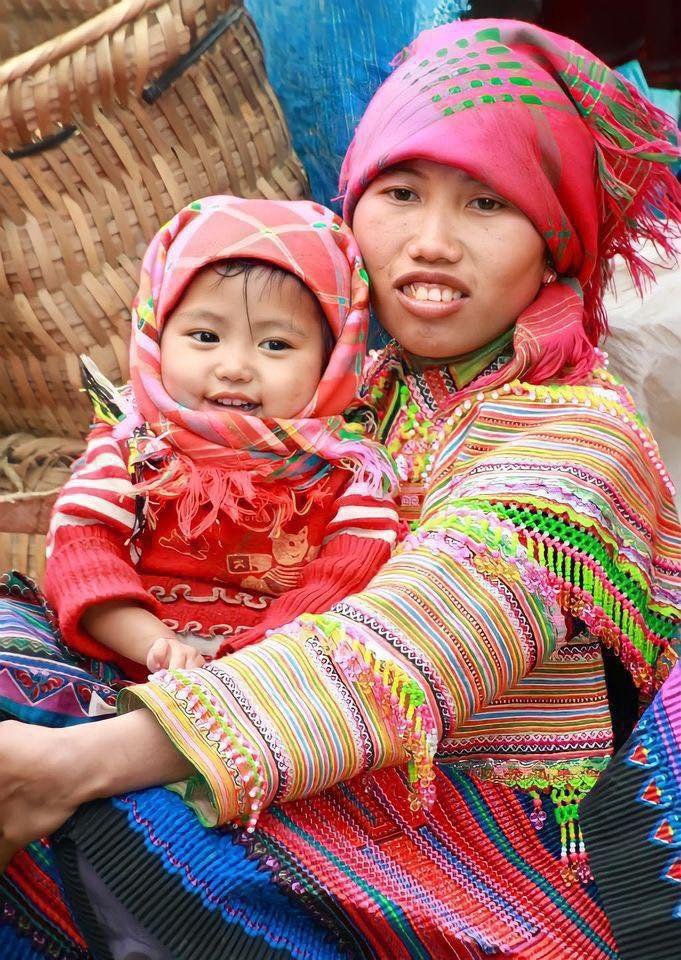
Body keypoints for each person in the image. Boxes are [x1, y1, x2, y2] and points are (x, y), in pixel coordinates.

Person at [1, 17, 680, 960]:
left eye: (488, 204)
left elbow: (406, 644)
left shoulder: (574, 436)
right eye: (400, 193)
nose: (432, 241)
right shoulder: (356, 389)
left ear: (555, 235)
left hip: (480, 839)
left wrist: (70, 764)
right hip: (291, 745)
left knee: (124, 838)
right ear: (351, 206)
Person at [40, 194, 398, 684]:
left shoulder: (350, 474)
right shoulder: (131, 449)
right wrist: (156, 646)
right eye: (205, 336)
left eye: (276, 345)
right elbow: (83, 552)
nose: (234, 368)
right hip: (119, 660)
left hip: (273, 684)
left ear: (334, 360)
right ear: (156, 333)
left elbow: (346, 582)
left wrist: (240, 668)